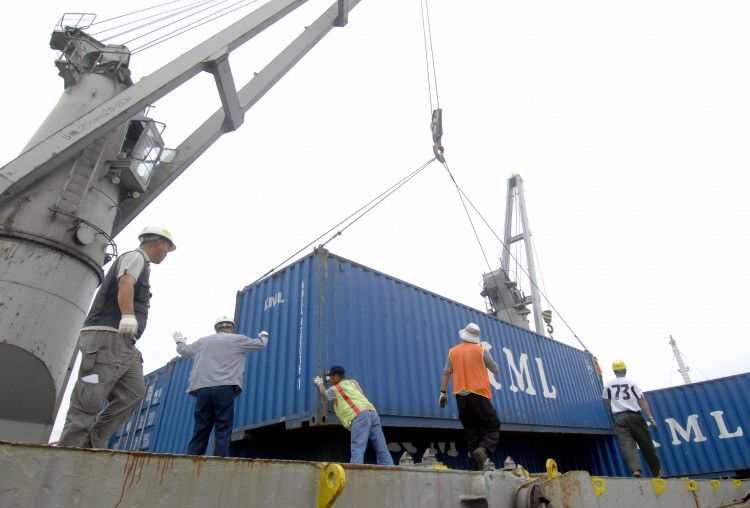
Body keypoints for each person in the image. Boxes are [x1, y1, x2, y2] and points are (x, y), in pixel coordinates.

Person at [58, 226, 176, 448]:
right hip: (107, 337)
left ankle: (93, 443)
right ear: (159, 243)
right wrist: (128, 316)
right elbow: (125, 283)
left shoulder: (143, 264)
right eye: (167, 248)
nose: (167, 254)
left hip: (124, 342)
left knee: (133, 393)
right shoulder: (135, 256)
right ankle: (68, 451)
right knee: (90, 397)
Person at [173, 315, 269, 456]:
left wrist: (180, 342)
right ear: (231, 327)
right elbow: (260, 344)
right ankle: (220, 460)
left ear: (216, 328)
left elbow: (185, 351)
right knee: (223, 427)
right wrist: (264, 335)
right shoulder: (238, 339)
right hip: (225, 388)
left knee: (201, 428)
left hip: (203, 390)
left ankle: (192, 459)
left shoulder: (203, 341)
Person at [439, 322, 501, 470]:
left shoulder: (452, 351)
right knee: (493, 425)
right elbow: (495, 369)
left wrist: (443, 392)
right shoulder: (481, 351)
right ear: (476, 338)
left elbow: (447, 372)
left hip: (460, 397)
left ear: (464, 335)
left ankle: (478, 467)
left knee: (472, 432)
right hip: (479, 394)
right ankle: (484, 449)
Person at [313, 365, 394, 466]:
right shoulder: (353, 382)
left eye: (331, 377)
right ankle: (389, 469)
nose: (330, 379)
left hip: (359, 416)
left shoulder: (336, 388)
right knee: (381, 447)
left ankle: (355, 471)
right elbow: (342, 385)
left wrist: (320, 383)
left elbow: (325, 393)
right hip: (372, 413)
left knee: (358, 447)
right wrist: (329, 379)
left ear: (336, 376)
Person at [602, 360, 662, 478]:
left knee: (627, 444)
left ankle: (636, 470)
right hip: (635, 416)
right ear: (625, 370)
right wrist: (651, 417)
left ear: (614, 371)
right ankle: (657, 472)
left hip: (619, 418)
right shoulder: (632, 382)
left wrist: (613, 408)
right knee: (646, 443)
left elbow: (606, 400)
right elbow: (642, 399)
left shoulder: (609, 384)